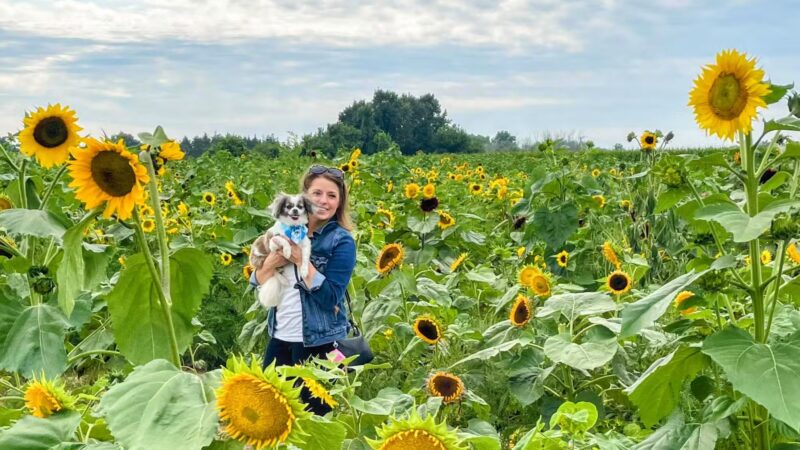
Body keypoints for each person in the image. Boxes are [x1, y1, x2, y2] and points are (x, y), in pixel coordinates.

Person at [248, 165, 356, 415]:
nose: (323, 201)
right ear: (305, 196)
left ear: (339, 203)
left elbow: (331, 297)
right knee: (270, 414)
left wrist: (300, 259)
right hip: (280, 337)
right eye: (317, 193)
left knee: (313, 421)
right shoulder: (280, 231)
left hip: (320, 344)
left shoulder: (341, 241)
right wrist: (272, 263)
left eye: (332, 196)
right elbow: (256, 279)